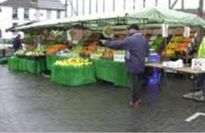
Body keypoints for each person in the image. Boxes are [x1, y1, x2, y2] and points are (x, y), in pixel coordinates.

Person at [101, 24, 149, 108]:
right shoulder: (144, 39)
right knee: (138, 82)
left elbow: (118, 45)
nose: (128, 31)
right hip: (141, 64)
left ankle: (135, 101)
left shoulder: (131, 39)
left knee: (134, 84)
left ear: (133, 30)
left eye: (129, 30)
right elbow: (147, 52)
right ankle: (138, 98)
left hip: (133, 64)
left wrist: (106, 42)